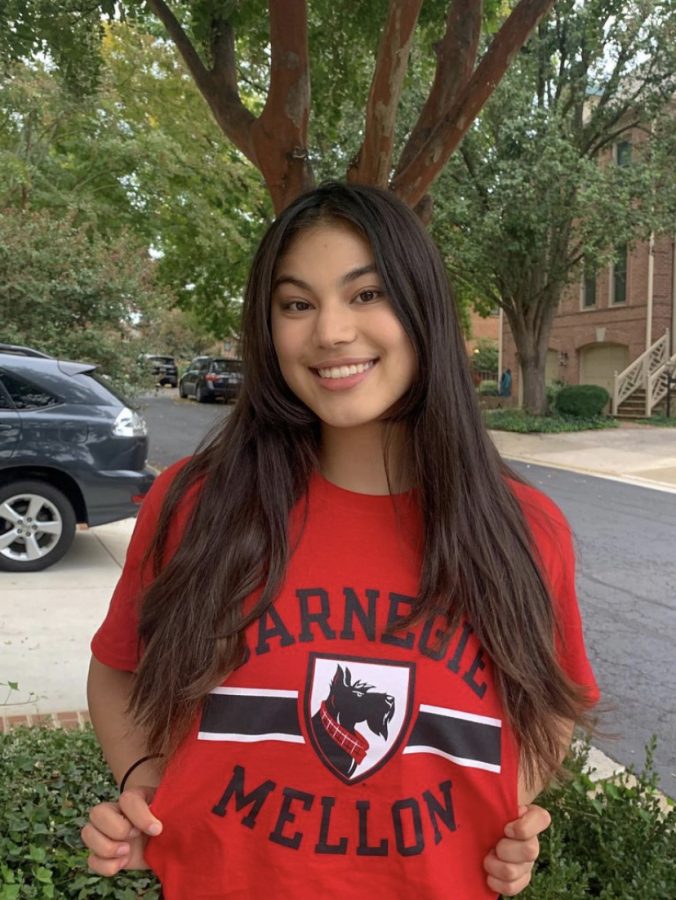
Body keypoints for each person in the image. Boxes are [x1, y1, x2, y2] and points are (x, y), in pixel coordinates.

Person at [82, 183, 598, 899]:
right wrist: (143, 781)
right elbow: (118, 666)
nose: (329, 331)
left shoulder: (522, 529)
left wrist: (501, 810)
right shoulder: (196, 503)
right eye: (296, 304)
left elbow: (554, 700)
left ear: (423, 312)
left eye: (366, 295)